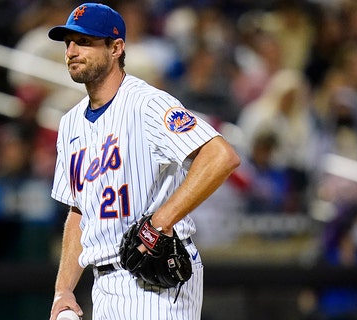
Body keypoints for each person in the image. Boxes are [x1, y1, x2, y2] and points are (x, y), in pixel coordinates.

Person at [46, 3, 240, 320]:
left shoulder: (147, 103)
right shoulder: (69, 124)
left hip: (154, 277)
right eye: (68, 42)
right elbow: (78, 211)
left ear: (116, 47)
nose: (72, 51)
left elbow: (220, 156)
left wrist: (160, 221)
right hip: (103, 284)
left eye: (85, 42)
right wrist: (64, 290)